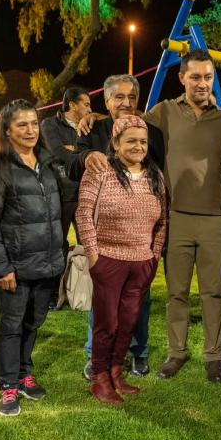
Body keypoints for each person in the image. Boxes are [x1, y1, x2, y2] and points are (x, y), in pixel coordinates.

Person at [138, 49, 221, 383]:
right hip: (176, 216)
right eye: (195, 77)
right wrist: (94, 118)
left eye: (208, 77)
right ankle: (176, 353)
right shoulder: (164, 111)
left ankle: (214, 357)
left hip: (214, 219)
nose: (202, 83)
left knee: (213, 293)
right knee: (176, 292)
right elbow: (129, 128)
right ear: (182, 78)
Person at [67, 75, 165, 380]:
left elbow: (158, 180)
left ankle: (138, 351)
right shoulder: (92, 129)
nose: (126, 103)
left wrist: (155, 248)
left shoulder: (153, 133)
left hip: (140, 239)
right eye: (118, 97)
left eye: (132, 97)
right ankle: (96, 354)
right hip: (106, 239)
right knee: (104, 302)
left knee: (140, 300)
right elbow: (71, 167)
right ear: (106, 101)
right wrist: (87, 155)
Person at [0, 100, 65, 416]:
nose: (30, 130)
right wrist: (0, 267)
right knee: (10, 327)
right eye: (22, 125)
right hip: (14, 267)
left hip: (46, 265)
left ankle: (25, 375)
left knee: (33, 323)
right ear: (7, 130)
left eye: (34, 124)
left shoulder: (47, 162)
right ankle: (7, 387)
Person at [42, 87, 92, 308]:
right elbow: (56, 152)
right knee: (57, 246)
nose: (90, 110)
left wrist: (73, 150)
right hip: (60, 194)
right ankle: (54, 295)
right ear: (73, 105)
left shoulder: (90, 126)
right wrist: (85, 155)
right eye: (87, 105)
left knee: (89, 245)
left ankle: (87, 293)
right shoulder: (50, 124)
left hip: (86, 194)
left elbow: (101, 151)